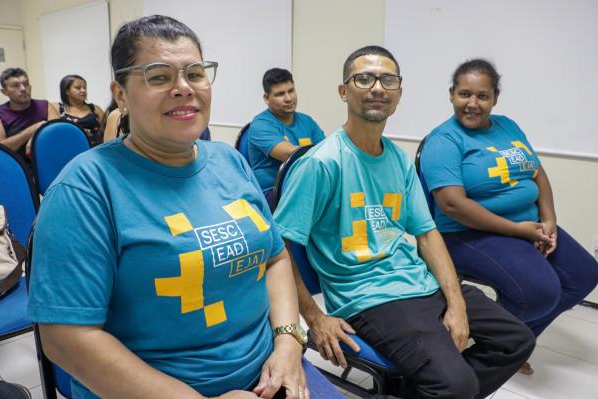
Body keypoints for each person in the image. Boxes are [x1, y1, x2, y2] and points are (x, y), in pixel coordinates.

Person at [28, 15, 343, 399]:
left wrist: (289, 344)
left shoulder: (230, 161)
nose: (183, 88)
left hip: (271, 371)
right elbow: (66, 339)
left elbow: (275, 258)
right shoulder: (85, 189)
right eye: (159, 76)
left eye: (195, 73)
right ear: (121, 93)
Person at [274, 46, 536, 399]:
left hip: (418, 283)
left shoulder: (398, 159)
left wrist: (455, 303)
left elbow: (428, 235)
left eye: (388, 79)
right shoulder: (322, 163)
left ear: (398, 93)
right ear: (343, 91)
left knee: (516, 341)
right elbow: (279, 246)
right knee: (457, 386)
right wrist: (315, 318)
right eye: (364, 78)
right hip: (369, 298)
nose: (377, 87)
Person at [419, 58, 598, 375]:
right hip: (465, 233)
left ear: (495, 98)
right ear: (451, 95)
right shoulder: (443, 140)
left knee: (583, 274)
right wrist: (519, 231)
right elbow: (452, 205)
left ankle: (513, 343)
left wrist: (549, 219)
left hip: (526, 226)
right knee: (539, 292)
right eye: (464, 94)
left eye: (482, 96)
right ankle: (489, 343)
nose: (472, 103)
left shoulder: (507, 126)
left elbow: (537, 173)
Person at [247, 68, 325, 203]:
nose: (288, 98)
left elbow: (327, 154)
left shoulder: (307, 121)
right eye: (280, 94)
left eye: (291, 91)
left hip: (304, 185)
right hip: (272, 193)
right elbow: (292, 157)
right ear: (267, 98)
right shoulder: (260, 125)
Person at [0, 67, 58, 163]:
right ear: (4, 92)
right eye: (15, 85)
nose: (23, 89)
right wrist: (35, 128)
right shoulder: (0, 113)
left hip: (48, 163)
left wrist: (36, 135)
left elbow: (58, 133)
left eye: (26, 84)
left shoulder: (45, 105)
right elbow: (0, 149)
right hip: (16, 168)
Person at [55, 74, 105, 147]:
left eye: (85, 87)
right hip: (72, 151)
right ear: (66, 91)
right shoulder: (58, 109)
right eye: (78, 88)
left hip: (97, 150)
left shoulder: (95, 108)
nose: (83, 90)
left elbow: (107, 130)